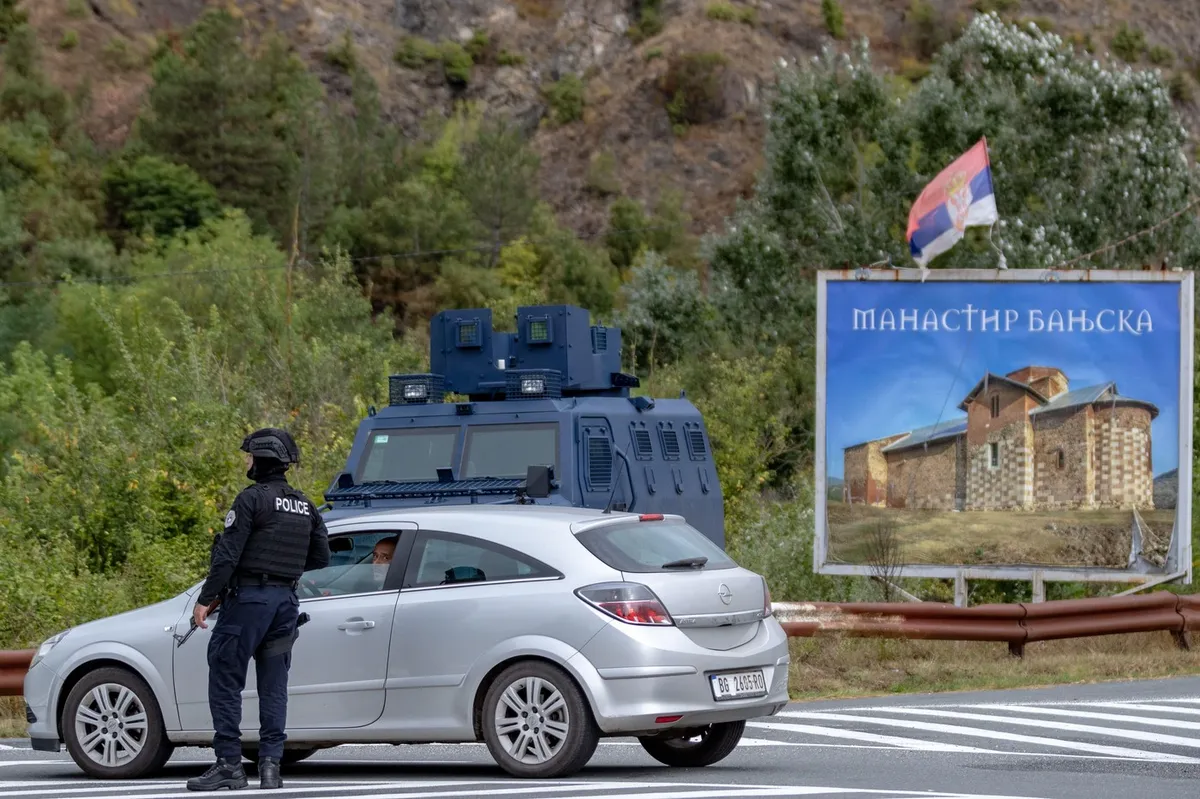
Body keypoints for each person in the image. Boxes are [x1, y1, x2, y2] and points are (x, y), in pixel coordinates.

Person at [186, 428, 331, 792]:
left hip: (250, 601)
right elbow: (322, 556)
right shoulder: (304, 504)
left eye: (249, 455)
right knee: (273, 685)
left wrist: (205, 599)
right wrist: (284, 571)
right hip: (285, 604)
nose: (246, 462)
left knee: (224, 675)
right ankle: (270, 768)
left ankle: (229, 766)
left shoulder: (251, 500)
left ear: (263, 459)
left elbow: (227, 556)